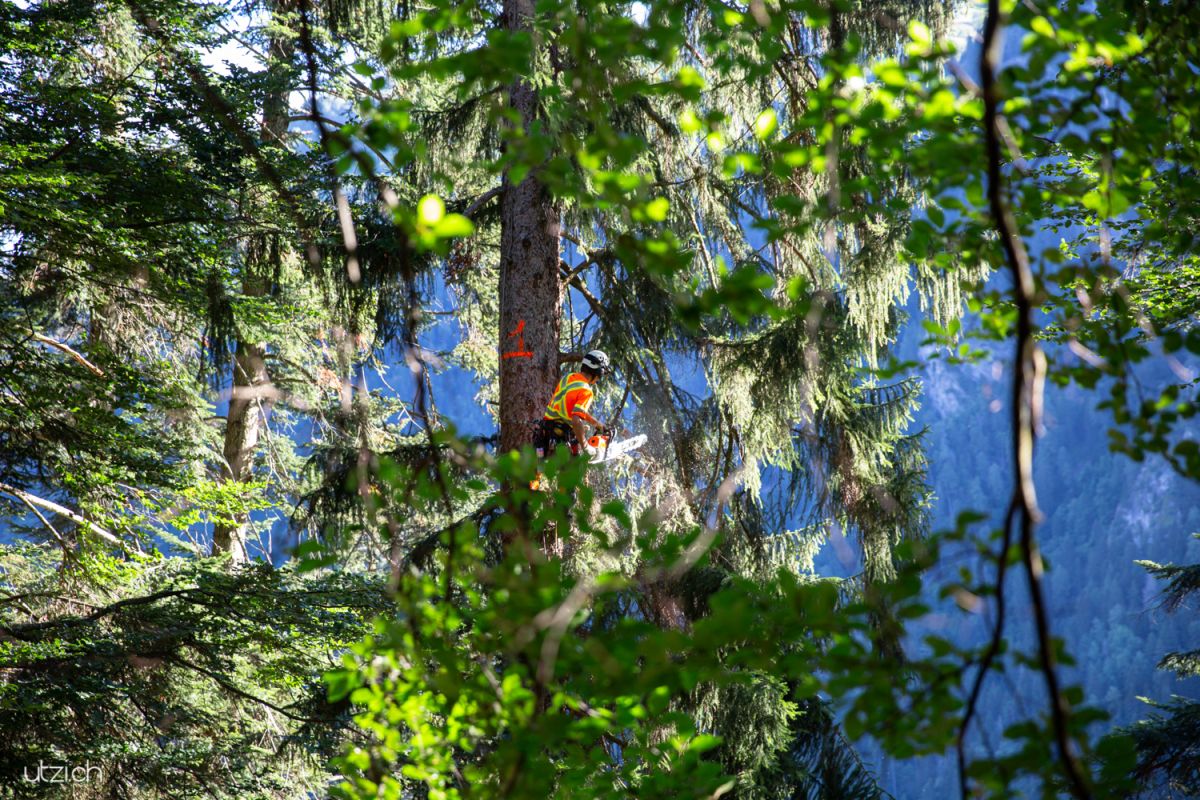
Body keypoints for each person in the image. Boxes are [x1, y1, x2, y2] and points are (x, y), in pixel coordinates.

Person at [534, 349, 611, 460]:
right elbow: (576, 419)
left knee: (537, 470)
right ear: (598, 371)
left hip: (545, 432)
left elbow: (573, 408)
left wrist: (595, 423)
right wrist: (586, 447)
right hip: (561, 439)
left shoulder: (568, 378)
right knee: (573, 471)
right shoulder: (586, 391)